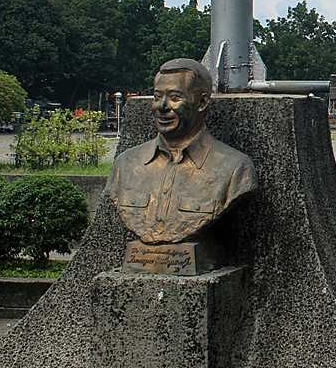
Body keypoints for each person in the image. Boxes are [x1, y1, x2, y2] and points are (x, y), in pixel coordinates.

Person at [105, 59, 258, 245]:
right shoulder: (126, 164)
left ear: (201, 103)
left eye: (175, 98)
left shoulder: (234, 169)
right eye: (156, 97)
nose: (162, 106)